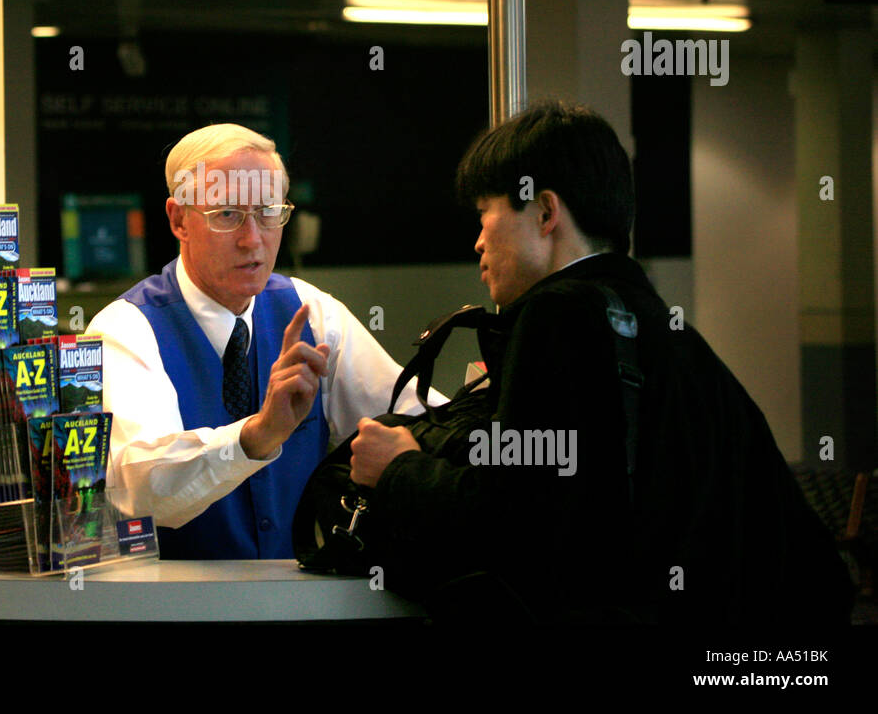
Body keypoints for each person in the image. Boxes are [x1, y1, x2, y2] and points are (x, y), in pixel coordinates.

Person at [349, 101, 853, 623]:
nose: (477, 240)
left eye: (485, 212)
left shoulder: (559, 313)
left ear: (545, 212)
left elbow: (513, 518)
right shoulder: (651, 322)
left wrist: (400, 468)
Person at [86, 123, 441, 559]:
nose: (252, 239)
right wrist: (256, 436)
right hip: (178, 613)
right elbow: (140, 487)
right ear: (179, 220)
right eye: (227, 216)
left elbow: (415, 417)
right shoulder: (126, 329)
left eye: (268, 211)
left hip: (303, 609)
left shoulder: (310, 311)